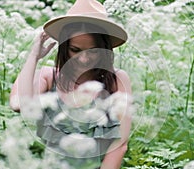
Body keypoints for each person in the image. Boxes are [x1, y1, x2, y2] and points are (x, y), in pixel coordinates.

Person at [9, 0, 132, 168]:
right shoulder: (47, 76)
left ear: (104, 49)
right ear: (64, 46)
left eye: (93, 51)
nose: (84, 59)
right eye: (75, 50)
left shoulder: (117, 80)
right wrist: (34, 56)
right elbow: (20, 105)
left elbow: (120, 144)